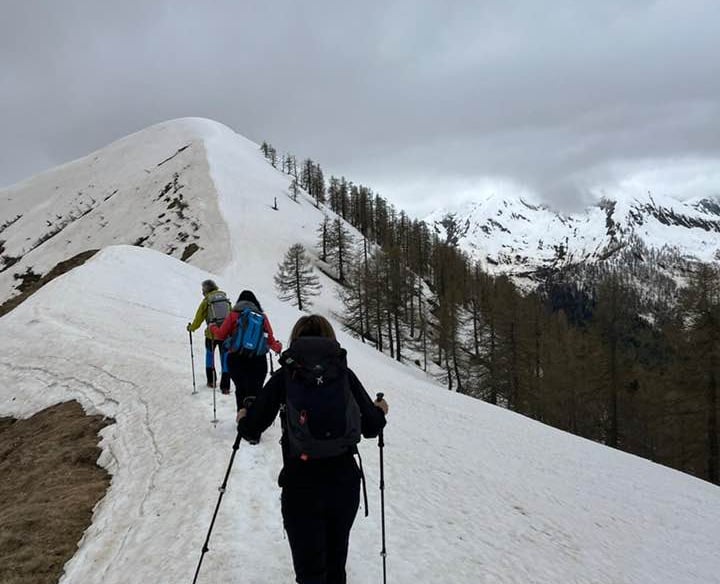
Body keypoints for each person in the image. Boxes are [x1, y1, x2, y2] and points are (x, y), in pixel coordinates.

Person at [237, 314, 389, 584]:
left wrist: (243, 417)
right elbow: (371, 427)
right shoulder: (343, 374)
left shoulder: (286, 375)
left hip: (301, 483)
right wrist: (380, 410)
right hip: (344, 480)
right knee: (335, 566)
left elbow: (252, 429)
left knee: (310, 574)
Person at [209, 290, 282, 412]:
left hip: (236, 360)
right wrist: (278, 347)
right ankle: (255, 418)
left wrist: (213, 327)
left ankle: (242, 416)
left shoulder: (233, 315)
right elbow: (270, 340)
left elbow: (221, 335)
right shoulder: (262, 317)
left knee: (241, 390)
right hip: (258, 361)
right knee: (256, 392)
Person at [187, 279, 231, 392]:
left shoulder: (207, 301)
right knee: (225, 358)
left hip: (211, 335)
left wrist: (191, 328)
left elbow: (199, 318)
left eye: (203, 289)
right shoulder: (225, 299)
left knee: (210, 356)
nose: (202, 291)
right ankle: (225, 386)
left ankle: (211, 381)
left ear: (206, 289)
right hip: (225, 334)